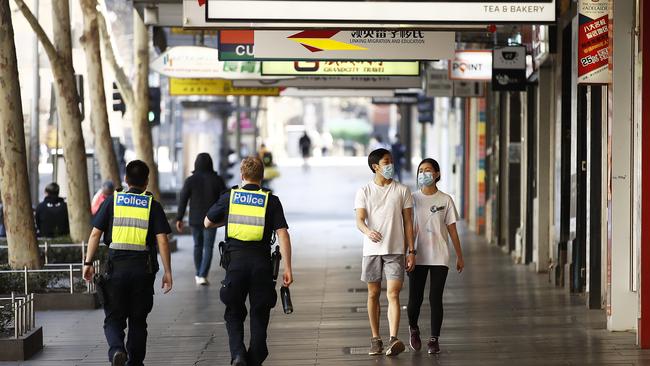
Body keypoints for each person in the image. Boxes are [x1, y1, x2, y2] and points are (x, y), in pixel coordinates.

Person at [204, 156, 293, 366]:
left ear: (242, 175)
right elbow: (283, 235)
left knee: (234, 311)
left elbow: (207, 222)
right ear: (261, 177)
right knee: (260, 312)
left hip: (235, 265)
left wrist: (230, 217)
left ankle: (237, 354)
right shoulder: (271, 201)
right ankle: (256, 354)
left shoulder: (230, 198)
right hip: (261, 265)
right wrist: (287, 268)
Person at [82, 160, 173, 366]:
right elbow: (162, 240)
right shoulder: (152, 205)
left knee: (114, 318)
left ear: (126, 179)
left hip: (115, 269)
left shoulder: (113, 201)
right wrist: (167, 271)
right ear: (147, 181)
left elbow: (96, 233)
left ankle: (116, 350)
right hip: (143, 269)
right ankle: (135, 362)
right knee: (138, 320)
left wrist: (88, 262)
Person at [354, 148, 415, 357]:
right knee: (373, 293)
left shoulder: (402, 190)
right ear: (375, 167)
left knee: (393, 293)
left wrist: (411, 250)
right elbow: (359, 220)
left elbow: (408, 223)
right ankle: (375, 338)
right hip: (371, 251)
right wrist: (368, 231)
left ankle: (393, 338)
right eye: (386, 162)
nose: (391, 165)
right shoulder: (364, 191)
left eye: (391, 161)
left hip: (396, 250)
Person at [407, 158, 464, 355]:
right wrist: (407, 252)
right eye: (421, 170)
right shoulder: (411, 199)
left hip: (439, 255)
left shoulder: (445, 199)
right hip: (416, 255)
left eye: (428, 170)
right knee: (415, 299)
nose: (424, 174)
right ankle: (413, 328)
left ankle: (434, 339)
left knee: (435, 297)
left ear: (437, 174)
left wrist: (459, 255)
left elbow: (453, 230)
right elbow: (406, 228)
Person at [176, 153, 227, 285]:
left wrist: (179, 218)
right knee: (208, 247)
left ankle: (199, 273)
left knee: (197, 245)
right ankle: (202, 275)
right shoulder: (217, 180)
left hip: (195, 219)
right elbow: (225, 199)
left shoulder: (190, 180)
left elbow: (183, 200)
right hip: (212, 220)